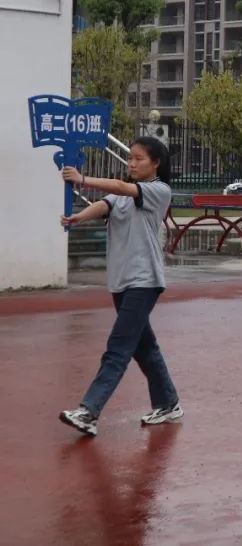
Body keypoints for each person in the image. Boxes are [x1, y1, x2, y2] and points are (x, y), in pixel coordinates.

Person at [58, 137, 181, 436]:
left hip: (144, 280)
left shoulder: (157, 191)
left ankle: (89, 411)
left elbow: (122, 188)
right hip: (121, 281)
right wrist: (77, 217)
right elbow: (104, 204)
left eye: (139, 158)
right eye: (130, 158)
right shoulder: (123, 195)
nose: (132, 163)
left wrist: (83, 179)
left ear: (156, 164)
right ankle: (168, 403)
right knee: (144, 347)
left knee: (118, 348)